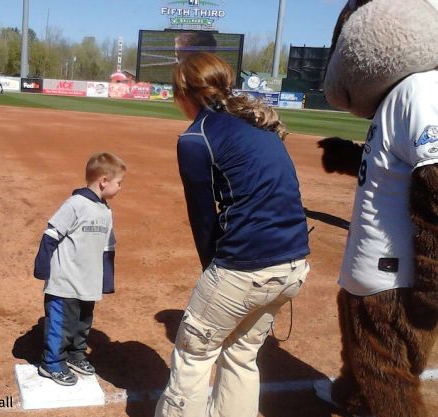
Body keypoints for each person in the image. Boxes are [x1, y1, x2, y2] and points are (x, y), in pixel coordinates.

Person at [155, 52, 310, 417]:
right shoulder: (258, 124)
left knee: (194, 354)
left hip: (245, 268)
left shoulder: (196, 138)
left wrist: (214, 273)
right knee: (241, 355)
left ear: (183, 93)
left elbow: (202, 218)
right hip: (294, 263)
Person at [314, 1, 438, 416]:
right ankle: (354, 400)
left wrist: (432, 279)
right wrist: (349, 157)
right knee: (362, 347)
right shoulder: (402, 93)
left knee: (387, 376)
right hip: (374, 263)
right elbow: (393, 165)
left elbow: (435, 183)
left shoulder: (420, 90)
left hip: (393, 274)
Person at [33, 152, 126, 386]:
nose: (120, 187)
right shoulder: (75, 204)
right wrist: (42, 267)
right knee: (61, 324)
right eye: (119, 182)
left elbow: (107, 248)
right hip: (64, 280)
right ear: (103, 181)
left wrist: (106, 279)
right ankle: (52, 362)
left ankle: (75, 354)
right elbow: (51, 234)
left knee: (83, 322)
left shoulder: (105, 211)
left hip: (88, 281)